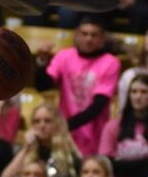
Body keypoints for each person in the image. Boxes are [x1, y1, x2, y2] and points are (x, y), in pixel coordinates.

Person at [34, 16, 121, 157]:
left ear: (102, 39)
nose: (89, 39)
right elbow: (42, 86)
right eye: (84, 34)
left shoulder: (110, 62)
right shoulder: (64, 56)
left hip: (95, 137)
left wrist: (65, 125)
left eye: (94, 35)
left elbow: (98, 105)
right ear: (77, 36)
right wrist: (42, 62)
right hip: (65, 137)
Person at [1, 102, 82, 177]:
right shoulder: (28, 152)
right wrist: (26, 148)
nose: (42, 125)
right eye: (37, 122)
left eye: (47, 121)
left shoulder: (70, 155)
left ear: (57, 124)